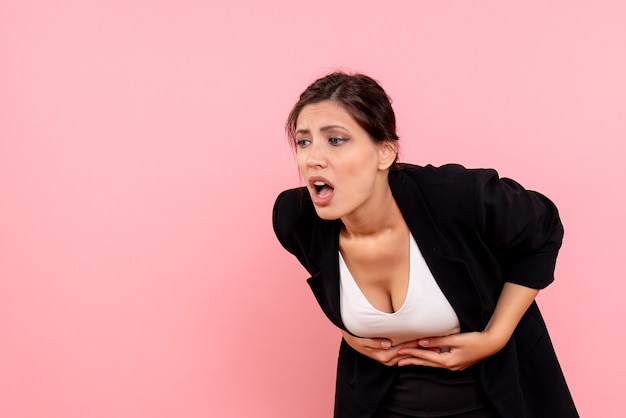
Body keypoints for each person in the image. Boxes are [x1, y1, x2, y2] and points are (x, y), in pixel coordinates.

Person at [272, 72, 578, 418]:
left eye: (336, 140)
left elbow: (544, 226)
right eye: (303, 142)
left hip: (492, 401)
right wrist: (352, 330)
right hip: (380, 406)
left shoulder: (458, 198)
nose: (313, 159)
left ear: (384, 153)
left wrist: (495, 335)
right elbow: (330, 282)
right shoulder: (296, 220)